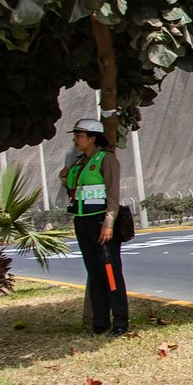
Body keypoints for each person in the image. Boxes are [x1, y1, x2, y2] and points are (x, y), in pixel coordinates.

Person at [59, 118, 129, 336]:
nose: (75, 140)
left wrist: (109, 223)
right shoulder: (79, 163)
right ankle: (100, 322)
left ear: (93, 138)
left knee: (110, 272)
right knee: (94, 272)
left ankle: (120, 321)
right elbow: (75, 190)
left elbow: (112, 194)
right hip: (82, 221)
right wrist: (64, 180)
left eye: (79, 136)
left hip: (101, 221)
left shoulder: (106, 160)